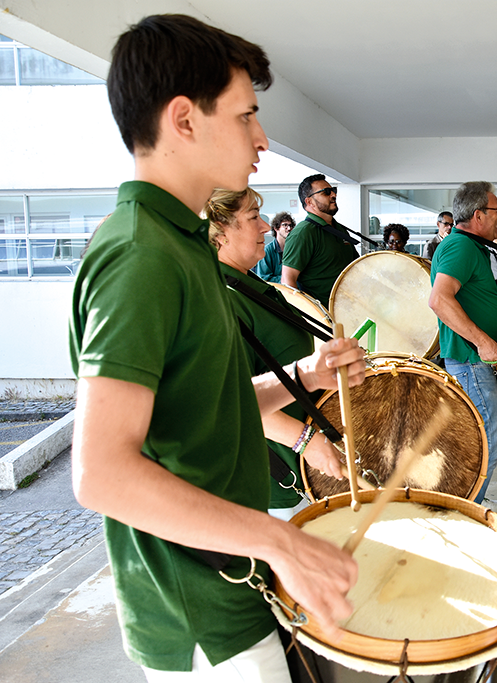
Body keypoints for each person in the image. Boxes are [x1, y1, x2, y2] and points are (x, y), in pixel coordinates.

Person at [69, 15, 365, 680]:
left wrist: (307, 373)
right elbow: (101, 472)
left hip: (233, 582)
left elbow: (206, 410)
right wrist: (281, 540)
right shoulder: (140, 255)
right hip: (199, 611)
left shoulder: (182, 246)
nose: (262, 139)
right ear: (183, 119)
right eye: (246, 116)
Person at [207, 188, 348, 520]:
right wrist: (306, 441)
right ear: (220, 233)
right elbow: (228, 399)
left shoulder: (249, 285)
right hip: (273, 478)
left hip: (299, 461)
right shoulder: (221, 300)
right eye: (253, 218)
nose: (264, 227)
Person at [428, 182, 497, 514]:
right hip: (471, 359)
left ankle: (473, 496)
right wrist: (483, 341)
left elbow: (476, 301)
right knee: (488, 438)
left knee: (482, 437)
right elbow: (439, 300)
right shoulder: (461, 247)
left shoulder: (471, 247)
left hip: (474, 360)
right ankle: (467, 506)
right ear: (478, 215)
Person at [281, 174, 358, 305]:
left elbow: (356, 266)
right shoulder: (303, 233)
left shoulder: (339, 229)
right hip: (324, 313)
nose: (333, 195)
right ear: (309, 202)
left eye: (333, 190)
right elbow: (287, 282)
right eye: (326, 192)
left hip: (350, 307)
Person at [254, 211, 293, 283]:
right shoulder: (266, 251)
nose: (289, 228)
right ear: (276, 228)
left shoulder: (293, 249)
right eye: (285, 225)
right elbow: (264, 278)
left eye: (290, 225)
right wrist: (288, 278)